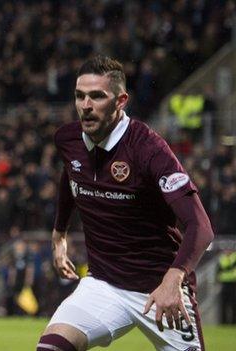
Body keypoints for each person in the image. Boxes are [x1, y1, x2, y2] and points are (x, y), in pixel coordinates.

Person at [37, 55, 214, 351]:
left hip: (161, 287)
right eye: (80, 96)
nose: (86, 105)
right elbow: (71, 175)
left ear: (121, 101)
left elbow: (201, 226)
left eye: (97, 96)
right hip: (104, 284)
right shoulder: (68, 139)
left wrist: (174, 278)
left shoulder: (148, 149)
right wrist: (59, 234)